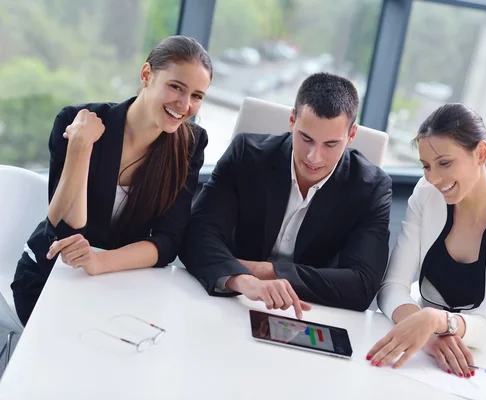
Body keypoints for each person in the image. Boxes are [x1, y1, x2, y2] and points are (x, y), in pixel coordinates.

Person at [11, 36, 213, 325]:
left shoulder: (190, 144)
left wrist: (99, 262)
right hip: (50, 276)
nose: (184, 105)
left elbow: (168, 241)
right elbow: (65, 227)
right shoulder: (76, 122)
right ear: (146, 75)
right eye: (175, 87)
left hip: (117, 282)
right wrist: (81, 146)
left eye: (197, 96)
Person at [367, 103, 486, 377]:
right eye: (426, 166)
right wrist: (427, 333)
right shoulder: (426, 194)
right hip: (424, 358)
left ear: (481, 153)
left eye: (444, 163)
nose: (434, 178)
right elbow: (391, 287)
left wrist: (435, 320)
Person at [180, 72, 392, 319]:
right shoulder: (246, 155)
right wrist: (244, 281)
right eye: (306, 138)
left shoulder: (371, 187)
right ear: (292, 120)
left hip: (310, 314)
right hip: (232, 301)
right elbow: (196, 235)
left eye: (331, 144)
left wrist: (266, 271)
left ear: (351, 135)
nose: (315, 157)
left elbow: (362, 285)